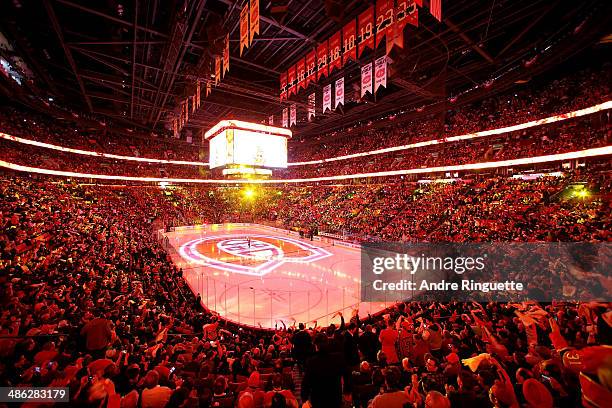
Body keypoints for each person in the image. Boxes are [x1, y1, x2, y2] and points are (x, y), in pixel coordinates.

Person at [301, 333, 345, 408]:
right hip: (335, 397)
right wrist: (347, 391)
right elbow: (346, 375)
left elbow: (306, 382)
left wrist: (304, 399)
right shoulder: (338, 358)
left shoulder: (311, 362)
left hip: (318, 399)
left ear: (316, 346)